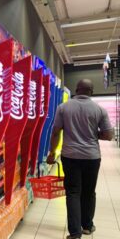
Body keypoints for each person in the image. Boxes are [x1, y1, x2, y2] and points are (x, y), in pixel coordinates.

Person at [47, 79, 114, 239]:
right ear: (91, 91)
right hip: (92, 157)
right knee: (89, 192)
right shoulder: (99, 109)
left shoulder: (63, 107)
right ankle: (88, 226)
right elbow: (108, 135)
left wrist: (52, 153)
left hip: (70, 157)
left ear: (77, 90)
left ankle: (75, 233)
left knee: (73, 192)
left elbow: (56, 132)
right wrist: (93, 134)